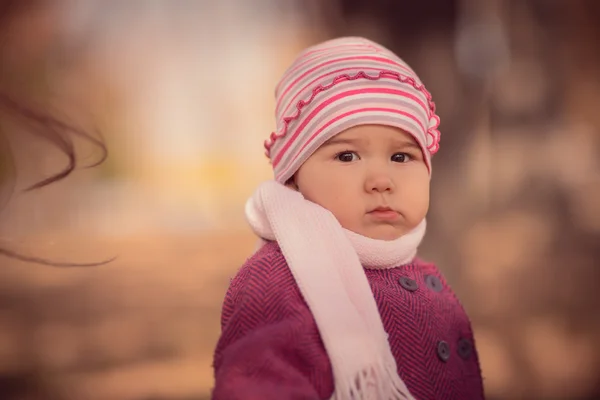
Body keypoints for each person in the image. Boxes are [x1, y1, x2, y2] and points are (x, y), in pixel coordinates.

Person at [212, 37, 485, 400]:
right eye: (347, 157)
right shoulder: (279, 279)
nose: (381, 181)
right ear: (294, 176)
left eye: (401, 158)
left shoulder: (423, 275)